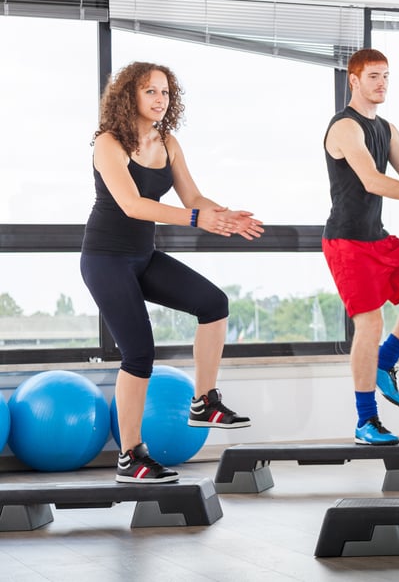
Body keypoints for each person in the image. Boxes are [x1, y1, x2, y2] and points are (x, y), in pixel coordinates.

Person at [81, 61, 263, 483]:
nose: (160, 99)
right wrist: (198, 219)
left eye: (164, 92)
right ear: (130, 96)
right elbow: (133, 205)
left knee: (213, 303)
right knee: (139, 353)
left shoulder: (169, 142)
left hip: (142, 256)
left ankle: (205, 401)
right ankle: (130, 457)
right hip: (105, 258)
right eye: (150, 92)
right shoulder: (108, 143)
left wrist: (223, 214)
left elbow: (192, 195)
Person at [322, 48, 399, 446]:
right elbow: (373, 181)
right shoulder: (345, 128)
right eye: (374, 76)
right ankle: (365, 421)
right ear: (353, 80)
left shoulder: (387, 129)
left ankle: (386, 361)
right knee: (370, 323)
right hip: (346, 241)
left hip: (377, 236)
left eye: (386, 77)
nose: (382, 84)